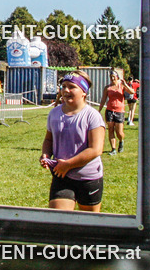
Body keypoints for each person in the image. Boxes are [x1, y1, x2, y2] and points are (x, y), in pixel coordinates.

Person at [40, 71, 106, 212]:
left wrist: (68, 164)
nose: (66, 90)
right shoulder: (54, 113)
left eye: (71, 87)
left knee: (88, 224)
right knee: (58, 220)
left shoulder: (93, 116)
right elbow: (48, 139)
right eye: (63, 86)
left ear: (84, 92)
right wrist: (45, 155)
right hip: (62, 175)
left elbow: (96, 149)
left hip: (88, 178)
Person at [100, 71, 136, 155]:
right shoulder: (107, 88)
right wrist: (99, 110)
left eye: (114, 76)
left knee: (119, 132)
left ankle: (121, 141)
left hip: (119, 111)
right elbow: (103, 100)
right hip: (109, 110)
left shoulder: (121, 86)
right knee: (111, 129)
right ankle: (113, 149)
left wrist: (125, 84)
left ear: (117, 77)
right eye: (111, 77)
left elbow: (132, 92)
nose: (112, 78)